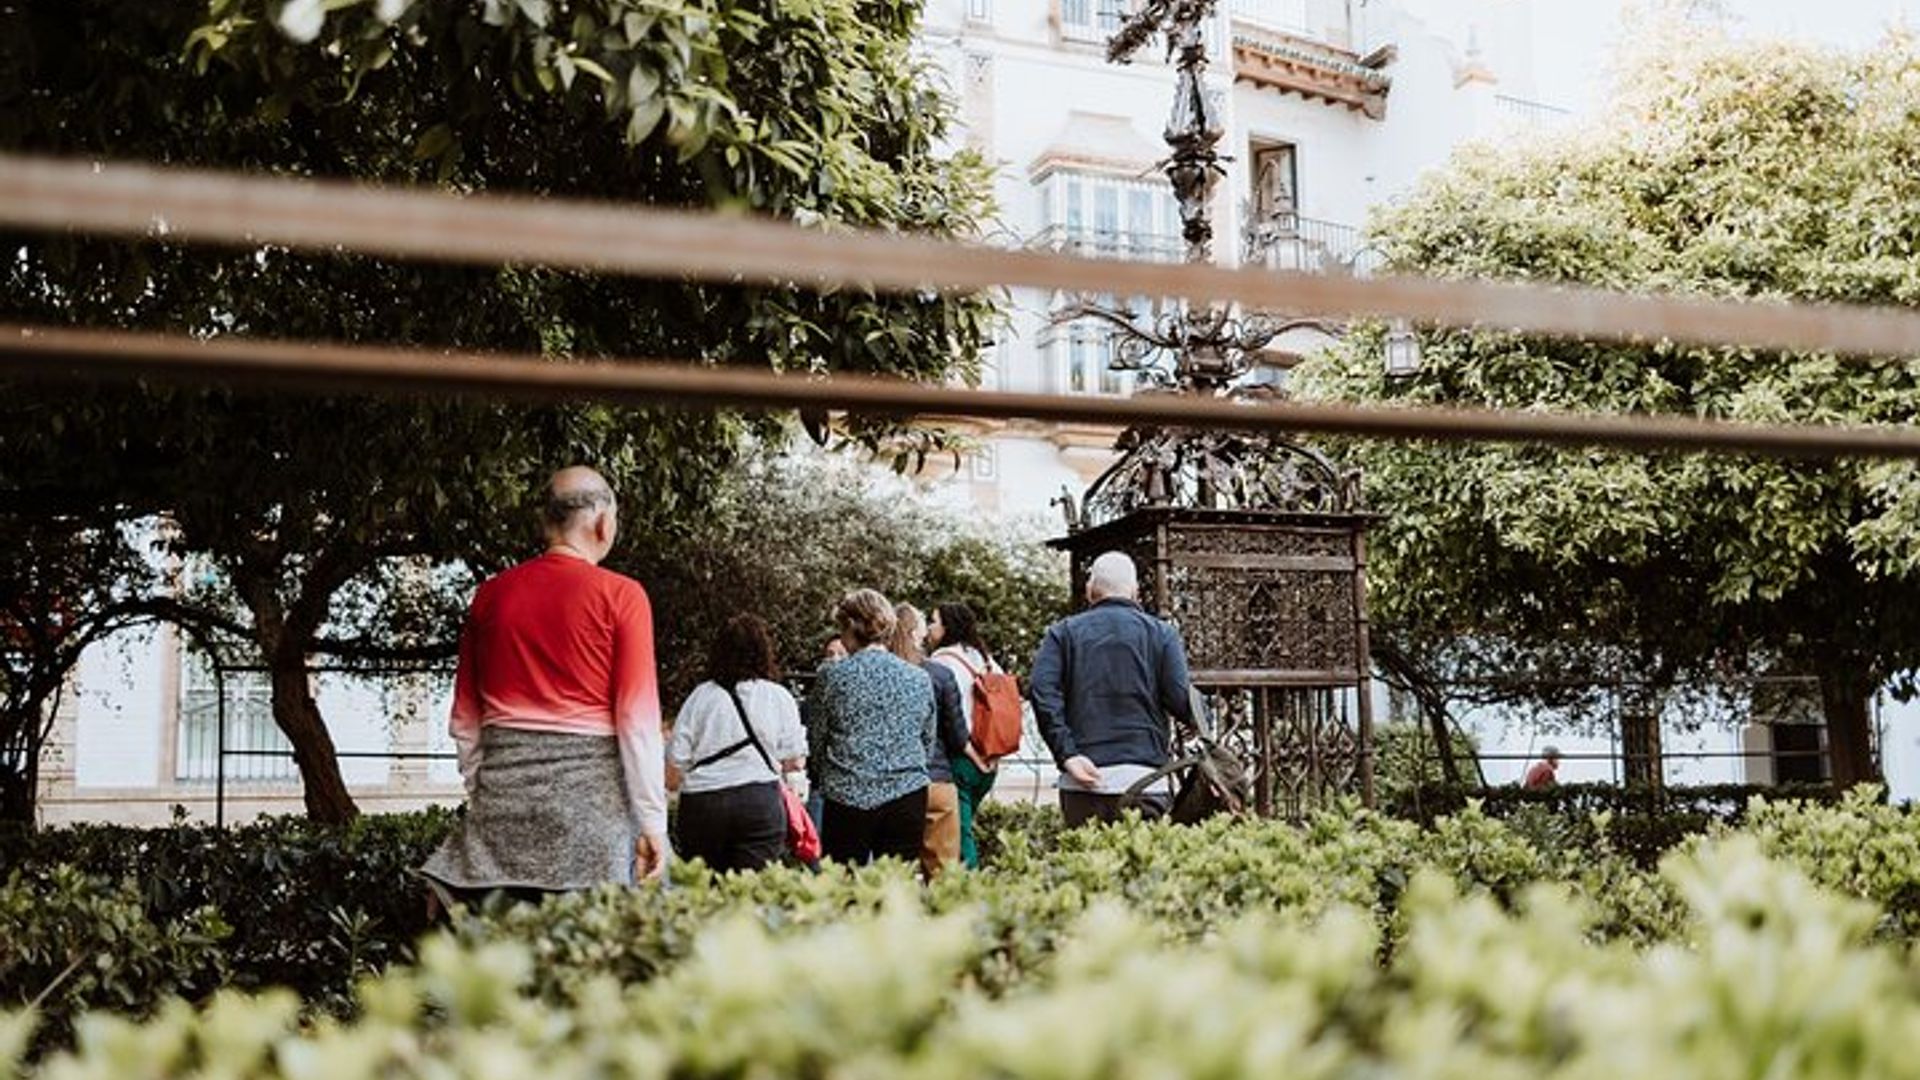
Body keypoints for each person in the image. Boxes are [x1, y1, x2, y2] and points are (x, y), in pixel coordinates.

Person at [421, 466, 667, 907]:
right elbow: (637, 723)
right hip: (593, 829)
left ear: (546, 522)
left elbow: (465, 721)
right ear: (603, 522)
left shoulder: (490, 595)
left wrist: (490, 794)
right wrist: (653, 823)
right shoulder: (624, 596)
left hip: (500, 823)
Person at [1030, 551, 1195, 827]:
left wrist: (1067, 753)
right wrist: (1196, 719)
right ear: (1135, 591)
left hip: (1082, 780)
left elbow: (1041, 690)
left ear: (1089, 589)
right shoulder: (1162, 634)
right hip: (1145, 778)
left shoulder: (1062, 633)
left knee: (1085, 867)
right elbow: (1181, 698)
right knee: (1147, 868)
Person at [668, 614, 808, 873]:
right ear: (763, 651)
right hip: (759, 802)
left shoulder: (700, 697)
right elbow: (795, 759)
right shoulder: (777, 696)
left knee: (703, 890)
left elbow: (676, 760)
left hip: (703, 805)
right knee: (753, 892)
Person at [808, 589, 936, 864]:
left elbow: (817, 739)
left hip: (847, 793)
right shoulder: (919, 678)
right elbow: (927, 740)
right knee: (896, 890)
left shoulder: (831, 676)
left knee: (846, 892)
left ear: (850, 627)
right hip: (907, 792)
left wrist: (820, 777)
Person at [892, 602, 965, 877]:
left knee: (895, 874)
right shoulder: (939, 674)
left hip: (895, 785)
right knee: (943, 875)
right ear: (918, 633)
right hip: (936, 780)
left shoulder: (883, 675)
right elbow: (957, 735)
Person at [926, 602, 1002, 868]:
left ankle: (967, 898)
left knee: (958, 839)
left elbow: (948, 720)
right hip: (989, 763)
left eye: (933, 622)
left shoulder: (940, 662)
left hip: (960, 760)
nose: (929, 628)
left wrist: (970, 752)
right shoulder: (986, 660)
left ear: (947, 627)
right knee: (962, 830)